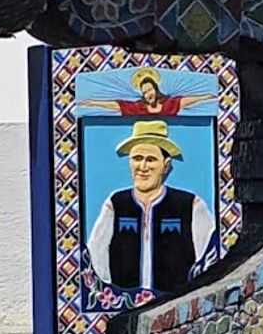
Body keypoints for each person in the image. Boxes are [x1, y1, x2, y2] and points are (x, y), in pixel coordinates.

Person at [87, 120, 216, 294]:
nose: (143, 167)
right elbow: (96, 253)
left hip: (177, 303)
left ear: (166, 165)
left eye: (151, 160)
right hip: (125, 303)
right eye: (137, 158)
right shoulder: (116, 204)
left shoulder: (190, 204)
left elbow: (209, 257)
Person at [83, 67, 217, 117]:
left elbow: (186, 101)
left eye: (150, 90)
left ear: (156, 89)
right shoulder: (138, 108)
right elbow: (117, 105)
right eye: (145, 92)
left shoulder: (169, 105)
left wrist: (207, 97)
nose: (148, 94)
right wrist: (93, 103)